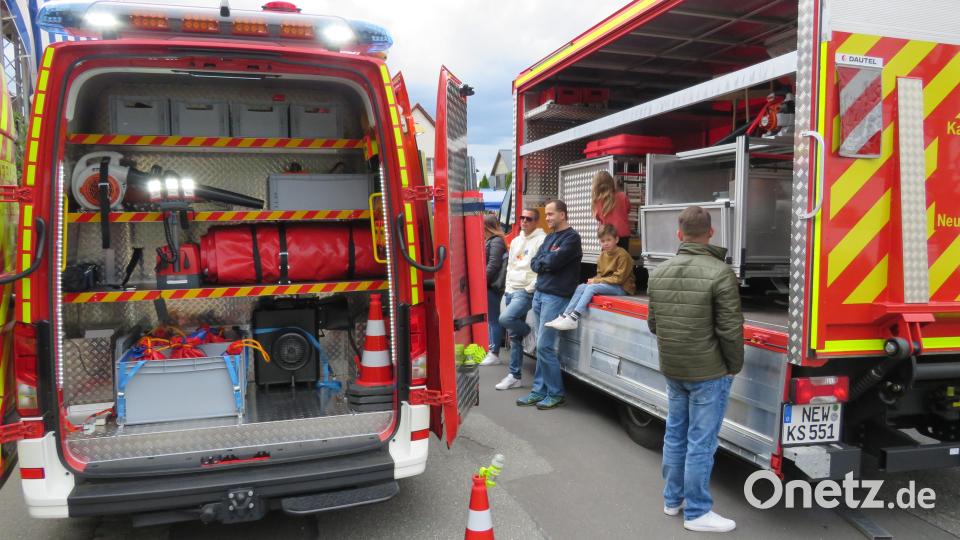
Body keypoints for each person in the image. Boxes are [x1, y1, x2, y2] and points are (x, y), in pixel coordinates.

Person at [646, 206, 744, 533]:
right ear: (711, 233)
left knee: (675, 434)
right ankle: (698, 512)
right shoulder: (721, 273)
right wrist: (734, 366)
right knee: (701, 442)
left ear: (679, 234)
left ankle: (672, 500)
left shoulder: (659, 272)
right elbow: (730, 329)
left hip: (673, 369)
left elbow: (654, 324)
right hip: (709, 372)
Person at [516, 200, 582, 410]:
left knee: (545, 346)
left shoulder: (572, 238)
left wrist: (546, 261)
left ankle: (555, 393)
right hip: (540, 294)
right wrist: (546, 261)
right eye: (546, 215)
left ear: (562, 215)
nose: (547, 218)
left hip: (556, 297)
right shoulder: (550, 237)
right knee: (540, 346)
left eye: (551, 214)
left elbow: (552, 262)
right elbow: (535, 263)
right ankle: (539, 391)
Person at [545, 224, 635, 331]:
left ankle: (574, 317)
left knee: (592, 288)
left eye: (608, 240)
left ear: (616, 239)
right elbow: (600, 274)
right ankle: (565, 315)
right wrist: (594, 280)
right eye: (602, 241)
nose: (605, 243)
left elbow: (619, 279)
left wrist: (596, 281)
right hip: (608, 284)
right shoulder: (602, 255)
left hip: (622, 287)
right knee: (582, 287)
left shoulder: (623, 255)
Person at [493, 208, 547, 388]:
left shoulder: (542, 240)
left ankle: (527, 331)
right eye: (522, 217)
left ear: (536, 222)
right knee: (514, 336)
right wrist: (508, 287)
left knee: (505, 319)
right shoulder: (516, 240)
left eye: (528, 218)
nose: (524, 221)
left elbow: (542, 268)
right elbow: (511, 266)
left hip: (525, 291)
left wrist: (530, 288)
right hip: (511, 289)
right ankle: (514, 376)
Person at [480, 214, 508, 366]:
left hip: (492, 285)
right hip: (491, 285)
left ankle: (494, 353)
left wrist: (481, 282)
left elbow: (493, 264)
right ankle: (492, 351)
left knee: (493, 320)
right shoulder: (493, 240)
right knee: (492, 320)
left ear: (486, 227)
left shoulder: (496, 241)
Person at [592, 170, 631, 250]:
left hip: (607, 236)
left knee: (607, 257)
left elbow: (598, 217)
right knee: (623, 256)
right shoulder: (622, 196)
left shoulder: (597, 201)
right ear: (611, 182)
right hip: (623, 235)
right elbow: (628, 209)